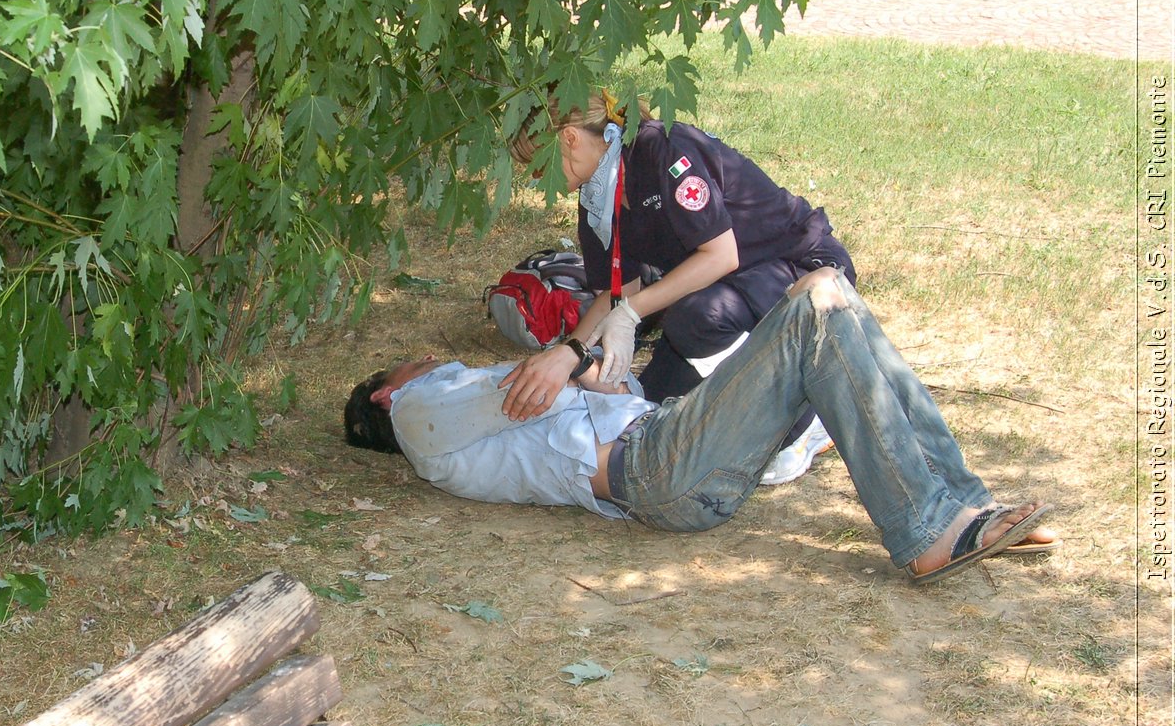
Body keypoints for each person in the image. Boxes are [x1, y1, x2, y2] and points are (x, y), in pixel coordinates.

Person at [344, 268, 1057, 584]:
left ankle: (963, 504)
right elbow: (523, 396)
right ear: (384, 397)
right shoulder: (419, 417)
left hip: (669, 445)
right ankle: (922, 532)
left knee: (834, 301)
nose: (427, 356)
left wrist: (588, 367)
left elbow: (576, 389)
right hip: (655, 470)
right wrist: (562, 365)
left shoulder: (457, 402)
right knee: (813, 305)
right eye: (407, 362)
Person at [507, 92, 856, 485]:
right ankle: (759, 391)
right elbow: (616, 290)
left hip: (795, 270)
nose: (538, 182)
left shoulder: (663, 149)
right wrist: (568, 354)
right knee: (651, 413)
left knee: (697, 320)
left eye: (536, 167)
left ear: (569, 138)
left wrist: (632, 312)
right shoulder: (597, 193)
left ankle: (803, 416)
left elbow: (721, 255)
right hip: (725, 286)